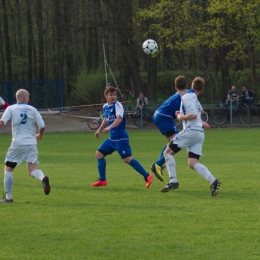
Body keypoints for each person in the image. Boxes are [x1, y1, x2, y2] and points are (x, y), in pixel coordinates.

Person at [160, 76, 221, 197]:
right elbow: (200, 112)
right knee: (192, 163)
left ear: (175, 87)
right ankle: (213, 180)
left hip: (191, 131)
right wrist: (182, 113)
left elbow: (193, 115)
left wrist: (180, 117)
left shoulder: (186, 97)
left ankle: (173, 181)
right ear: (187, 86)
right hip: (199, 133)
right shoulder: (193, 96)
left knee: (167, 153)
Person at [92, 86, 153, 188]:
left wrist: (109, 128)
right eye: (111, 95)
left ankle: (147, 176)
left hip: (121, 138)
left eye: (115, 95)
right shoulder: (105, 107)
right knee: (99, 154)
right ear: (106, 96)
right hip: (112, 139)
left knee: (127, 159)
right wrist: (98, 130)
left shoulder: (118, 105)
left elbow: (119, 119)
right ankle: (102, 180)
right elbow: (106, 119)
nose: (113, 97)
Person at [0, 89, 50, 203]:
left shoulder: (11, 108)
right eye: (28, 97)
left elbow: (2, 123)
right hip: (32, 144)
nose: (29, 99)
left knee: (8, 169)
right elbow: (42, 125)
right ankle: (43, 178)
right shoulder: (33, 109)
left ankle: (8, 198)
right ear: (24, 98)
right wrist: (39, 135)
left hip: (18, 144)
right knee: (32, 170)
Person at [151, 89, 181, 182]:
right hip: (164, 117)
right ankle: (158, 164)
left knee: (172, 143)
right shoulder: (188, 95)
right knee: (177, 142)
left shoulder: (181, 93)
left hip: (161, 115)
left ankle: (158, 165)